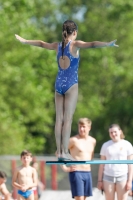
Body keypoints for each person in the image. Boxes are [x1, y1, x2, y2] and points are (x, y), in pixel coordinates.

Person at [15, 20, 118, 161]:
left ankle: (59, 152)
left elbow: (41, 43)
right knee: (67, 120)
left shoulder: (57, 46)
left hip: (58, 85)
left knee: (59, 120)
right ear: (74, 32)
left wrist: (25, 41)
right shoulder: (75, 45)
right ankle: (65, 153)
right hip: (71, 84)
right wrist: (107, 44)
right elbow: (92, 44)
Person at [60, 118, 96, 200]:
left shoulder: (93, 141)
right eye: (80, 127)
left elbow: (91, 156)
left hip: (87, 172)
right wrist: (65, 168)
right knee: (79, 198)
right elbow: (59, 153)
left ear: (89, 128)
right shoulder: (73, 140)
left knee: (84, 198)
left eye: (83, 127)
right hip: (77, 172)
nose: (81, 129)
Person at [97, 124, 133, 200]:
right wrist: (100, 180)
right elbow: (101, 165)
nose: (113, 134)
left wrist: (129, 181)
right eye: (111, 132)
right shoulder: (105, 145)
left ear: (120, 132)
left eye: (115, 132)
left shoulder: (127, 145)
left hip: (123, 177)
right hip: (108, 177)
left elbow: (130, 165)